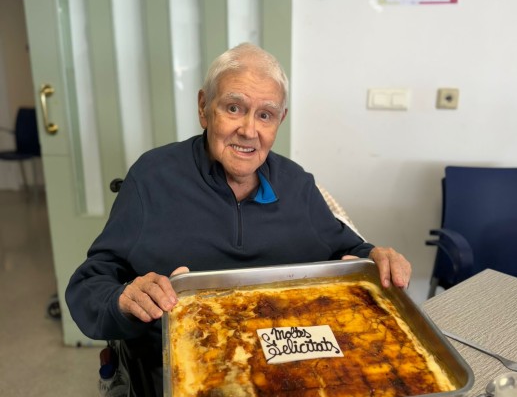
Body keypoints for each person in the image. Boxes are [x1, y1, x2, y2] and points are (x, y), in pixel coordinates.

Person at [66, 43, 411, 358]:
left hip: (287, 363)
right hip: (186, 363)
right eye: (234, 108)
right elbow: (89, 285)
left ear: (280, 120)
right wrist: (124, 299)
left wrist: (377, 259)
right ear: (204, 108)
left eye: (265, 115)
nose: (248, 131)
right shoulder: (152, 179)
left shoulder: (297, 185)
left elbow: (348, 253)